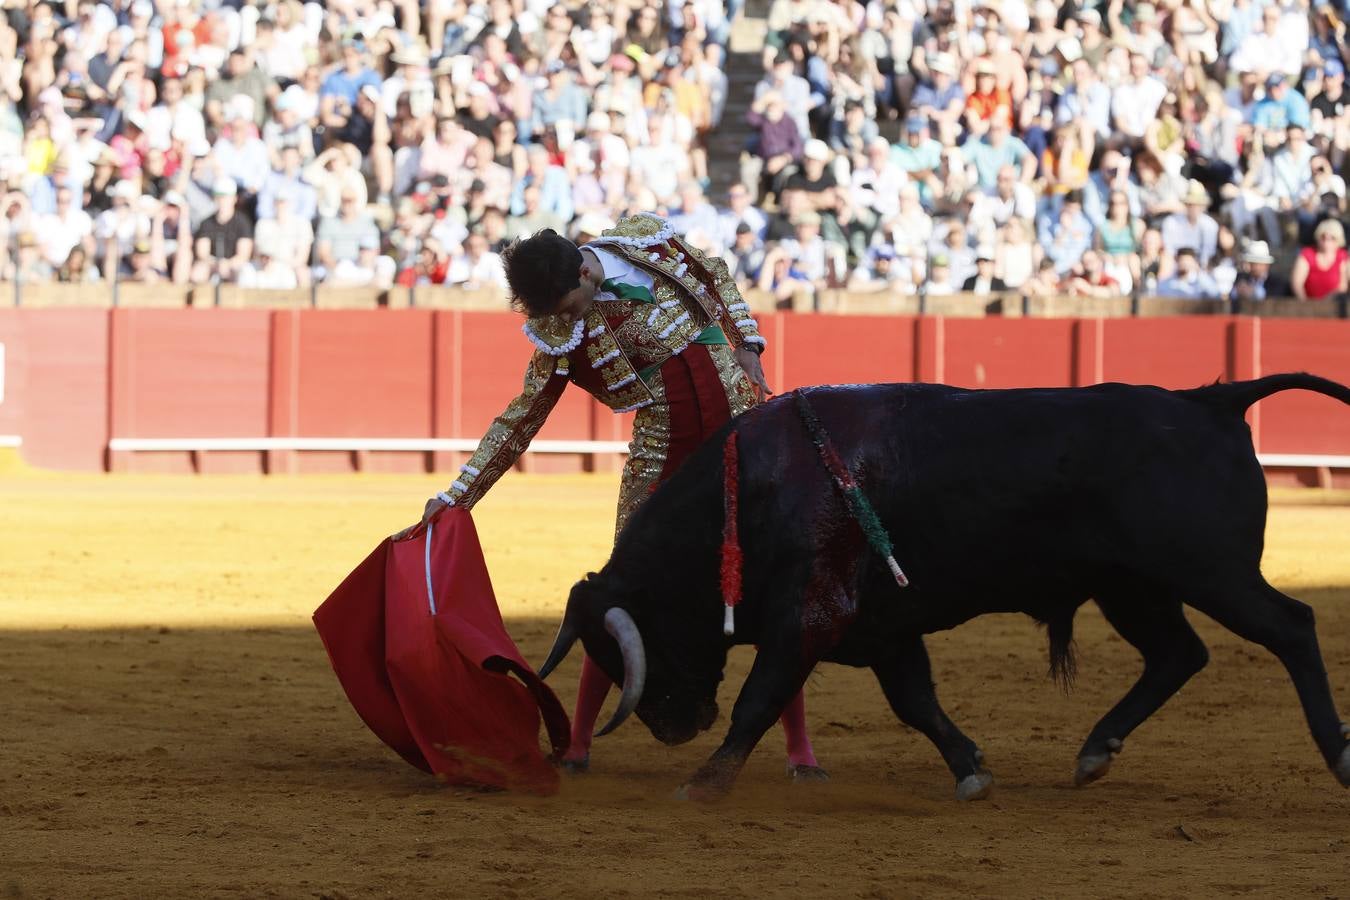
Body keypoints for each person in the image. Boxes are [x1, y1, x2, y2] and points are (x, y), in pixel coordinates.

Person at [394, 214, 826, 781]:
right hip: (662, 447)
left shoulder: (644, 239)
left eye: (567, 303)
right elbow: (523, 418)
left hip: (743, 425)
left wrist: (747, 341)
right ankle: (577, 744)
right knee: (619, 594)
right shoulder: (558, 331)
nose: (563, 318)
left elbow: (715, 274)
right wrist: (458, 494)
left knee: (772, 582)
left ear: (584, 267)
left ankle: (800, 751)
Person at [1291, 219, 1349, 300]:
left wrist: (1328, 300)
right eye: (1323, 237)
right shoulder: (1307, 254)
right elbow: (1297, 283)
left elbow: (1343, 286)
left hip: (1334, 306)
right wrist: (1305, 304)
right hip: (1308, 305)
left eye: (1332, 238)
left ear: (1338, 240)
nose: (1326, 241)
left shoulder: (1343, 256)